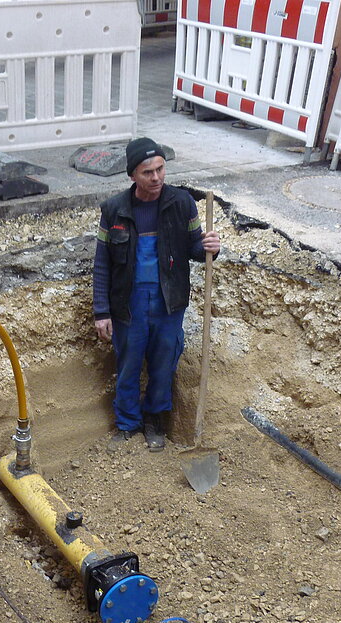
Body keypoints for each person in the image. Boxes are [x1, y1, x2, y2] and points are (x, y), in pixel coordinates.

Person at [92, 137, 221, 451]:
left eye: (161, 169)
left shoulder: (182, 204)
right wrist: (102, 311)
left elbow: (193, 248)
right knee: (128, 366)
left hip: (169, 301)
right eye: (148, 172)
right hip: (129, 304)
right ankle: (126, 424)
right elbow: (102, 264)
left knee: (164, 365)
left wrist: (209, 248)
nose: (157, 177)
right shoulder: (114, 211)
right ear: (132, 175)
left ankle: (155, 422)